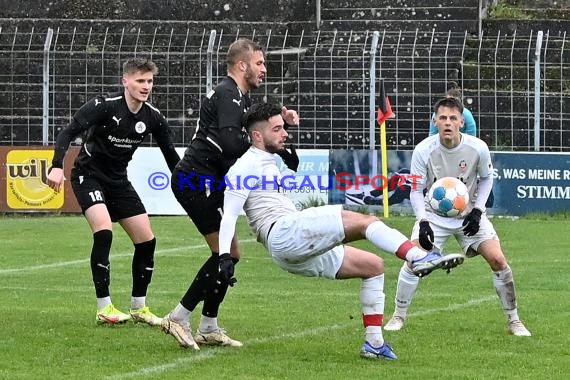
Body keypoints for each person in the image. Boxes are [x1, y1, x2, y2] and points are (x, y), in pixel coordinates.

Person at [161, 102, 465, 357]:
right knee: (365, 221)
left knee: (373, 266)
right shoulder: (244, 166)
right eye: (276, 129)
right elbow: (228, 216)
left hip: (290, 249)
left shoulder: (267, 159)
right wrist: (225, 257)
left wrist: (282, 151)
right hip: (283, 232)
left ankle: (374, 343)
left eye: (284, 127)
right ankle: (417, 257)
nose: (284, 133)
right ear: (256, 135)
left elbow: (277, 166)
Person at [161, 39, 299, 349]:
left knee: (230, 254)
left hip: (209, 181)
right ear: (242, 65)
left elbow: (249, 128)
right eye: (259, 63)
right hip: (196, 181)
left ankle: (209, 326)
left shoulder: (235, 96)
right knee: (225, 253)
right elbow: (231, 144)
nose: (264, 69)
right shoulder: (227, 94)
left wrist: (279, 118)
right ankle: (179, 316)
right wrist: (274, 148)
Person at [46, 58, 180, 325]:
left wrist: (191, 182)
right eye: (140, 81)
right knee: (104, 231)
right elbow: (67, 133)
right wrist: (56, 166)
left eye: (149, 81)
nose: (146, 86)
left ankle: (139, 308)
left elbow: (172, 158)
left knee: (147, 241)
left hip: (118, 181)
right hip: (88, 176)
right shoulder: (103, 107)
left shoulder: (153, 117)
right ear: (125, 82)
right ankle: (104, 307)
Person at [383, 97, 531, 337]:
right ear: (435, 121)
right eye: (443, 118)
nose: (448, 123)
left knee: (498, 260)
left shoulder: (478, 148)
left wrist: (478, 210)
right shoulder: (423, 150)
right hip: (433, 216)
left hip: (469, 215)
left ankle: (514, 320)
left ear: (462, 121)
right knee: (412, 261)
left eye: (453, 118)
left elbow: (486, 179)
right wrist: (422, 221)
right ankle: (398, 316)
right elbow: (416, 190)